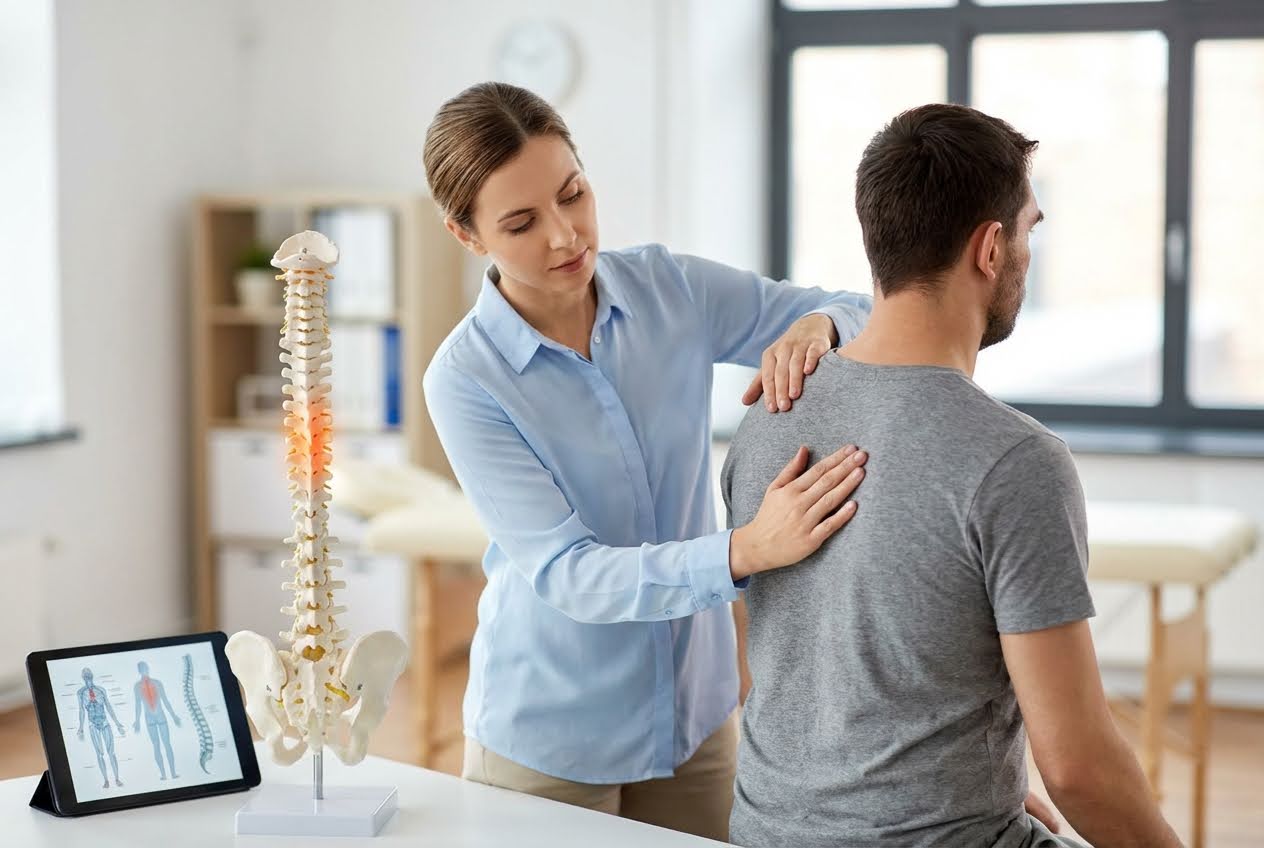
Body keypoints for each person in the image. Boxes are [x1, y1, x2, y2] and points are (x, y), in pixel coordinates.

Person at [721, 103, 1183, 848]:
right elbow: (1079, 771)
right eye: (1029, 229)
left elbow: (779, 669)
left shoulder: (768, 415)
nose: (1028, 250)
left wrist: (971, 778)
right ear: (991, 248)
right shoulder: (1015, 461)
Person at [420, 81, 872, 841]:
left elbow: (862, 308)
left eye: (573, 194)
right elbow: (568, 571)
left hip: (693, 720)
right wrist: (745, 550)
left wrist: (818, 324)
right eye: (522, 223)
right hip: (548, 739)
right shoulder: (465, 379)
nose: (565, 236)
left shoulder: (672, 290)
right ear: (467, 236)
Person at [133, 660, 182, 780]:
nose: (144, 670)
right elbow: (138, 704)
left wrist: (174, 716)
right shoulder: (137, 686)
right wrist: (137, 721)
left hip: (160, 715)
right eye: (142, 668)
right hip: (149, 717)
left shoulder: (157, 683)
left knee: (167, 744)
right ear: (139, 671)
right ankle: (163, 774)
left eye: (145, 668)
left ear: (148, 669)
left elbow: (165, 700)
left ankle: (173, 773)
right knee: (156, 745)